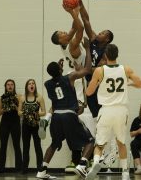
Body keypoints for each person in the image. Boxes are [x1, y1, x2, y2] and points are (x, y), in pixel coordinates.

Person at [36, 37, 94, 179]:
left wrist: (58, 68)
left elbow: (55, 74)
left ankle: (42, 171)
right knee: (90, 141)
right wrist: (87, 48)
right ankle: (81, 165)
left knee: (54, 143)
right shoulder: (69, 77)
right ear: (61, 69)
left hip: (56, 116)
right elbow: (87, 70)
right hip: (69, 114)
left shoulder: (47, 84)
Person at [86, 44, 141, 180]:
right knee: (121, 142)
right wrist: (128, 83)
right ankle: (125, 172)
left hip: (106, 110)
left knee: (100, 144)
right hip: (121, 110)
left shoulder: (100, 71)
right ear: (117, 55)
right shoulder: (126, 69)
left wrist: (99, 84)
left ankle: (95, 163)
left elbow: (89, 92)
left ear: (105, 55)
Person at [75, 0, 114, 119]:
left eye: (103, 33)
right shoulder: (93, 40)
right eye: (101, 31)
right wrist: (80, 5)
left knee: (102, 116)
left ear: (107, 39)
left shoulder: (106, 52)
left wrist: (83, 69)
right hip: (90, 84)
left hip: (100, 86)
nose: (99, 33)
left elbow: (96, 71)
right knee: (95, 117)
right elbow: (86, 20)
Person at [18, 79, 46, 174]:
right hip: (25, 125)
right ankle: (24, 168)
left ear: (35, 86)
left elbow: (44, 112)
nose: (31, 85)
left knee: (37, 146)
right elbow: (19, 112)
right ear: (27, 86)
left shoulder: (39, 98)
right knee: (26, 147)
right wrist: (26, 113)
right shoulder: (22, 98)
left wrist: (37, 113)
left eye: (33, 83)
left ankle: (40, 168)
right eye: (29, 83)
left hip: (36, 125)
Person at [0, 79, 22, 173]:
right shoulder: (1, 98)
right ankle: (0, 168)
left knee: (17, 145)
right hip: (4, 123)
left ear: (14, 86)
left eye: (11, 84)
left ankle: (19, 168)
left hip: (15, 123)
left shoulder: (18, 97)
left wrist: (14, 105)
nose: (10, 86)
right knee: (3, 145)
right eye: (8, 84)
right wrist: (5, 108)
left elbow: (20, 111)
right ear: (5, 86)